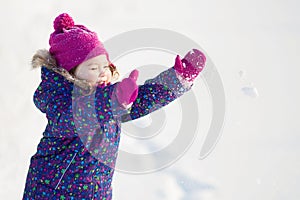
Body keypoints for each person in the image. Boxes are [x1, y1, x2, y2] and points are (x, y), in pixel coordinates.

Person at [22, 13, 206, 199]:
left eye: (106, 66)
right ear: (70, 74)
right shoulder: (62, 103)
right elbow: (79, 115)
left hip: (97, 193)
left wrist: (178, 79)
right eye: (93, 68)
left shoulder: (109, 102)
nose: (103, 73)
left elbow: (141, 99)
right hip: (49, 192)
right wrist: (114, 100)